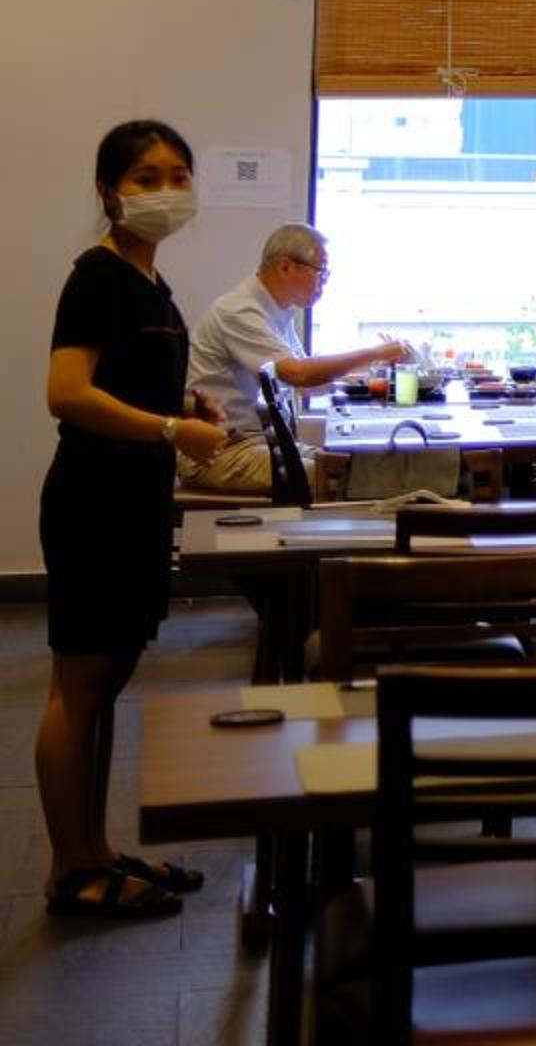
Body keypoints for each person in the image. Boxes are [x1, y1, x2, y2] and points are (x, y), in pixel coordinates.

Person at [37, 121, 225, 919]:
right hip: (94, 499)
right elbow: (68, 392)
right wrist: (172, 429)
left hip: (136, 497)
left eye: (179, 174)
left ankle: (95, 849)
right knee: (79, 688)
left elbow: (128, 383)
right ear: (109, 191)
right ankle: (69, 871)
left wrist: (183, 404)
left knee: (107, 682)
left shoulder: (151, 284)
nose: (166, 191)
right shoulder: (98, 277)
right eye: (147, 177)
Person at [180, 223, 414, 494]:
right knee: (345, 478)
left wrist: (373, 368)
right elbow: (299, 374)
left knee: (353, 463)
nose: (324, 282)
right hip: (216, 453)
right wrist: (373, 353)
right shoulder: (239, 311)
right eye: (321, 272)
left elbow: (309, 385)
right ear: (285, 267)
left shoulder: (277, 311)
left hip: (255, 441)